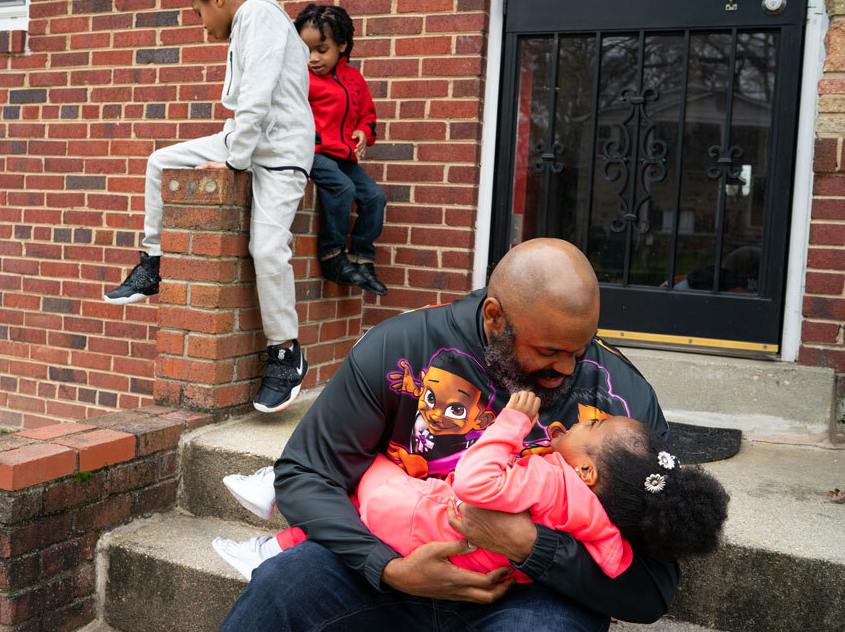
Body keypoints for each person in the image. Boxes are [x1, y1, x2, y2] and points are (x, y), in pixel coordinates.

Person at [219, 238, 682, 631]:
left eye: (578, 351)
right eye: (549, 351)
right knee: (281, 590)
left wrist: (529, 545)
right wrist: (387, 567)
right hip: (391, 562)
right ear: (496, 318)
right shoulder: (399, 346)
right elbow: (305, 473)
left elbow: (652, 586)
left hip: (530, 593)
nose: (565, 370)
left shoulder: (623, 404)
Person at [213, 390, 728, 582]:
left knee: (372, 464)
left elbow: (475, 481)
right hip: (461, 554)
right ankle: (271, 549)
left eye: (590, 428)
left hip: (425, 523)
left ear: (587, 473)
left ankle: (277, 486)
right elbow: (616, 564)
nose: (579, 422)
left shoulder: (551, 483)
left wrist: (509, 426)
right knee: (362, 505)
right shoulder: (602, 528)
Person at [102, 0, 314, 413]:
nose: (201, 25)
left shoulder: (258, 14)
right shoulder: (248, 25)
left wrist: (233, 161)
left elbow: (257, 95)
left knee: (269, 249)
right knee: (161, 162)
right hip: (247, 140)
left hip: (279, 157)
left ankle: (285, 352)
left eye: (199, 12)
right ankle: (153, 261)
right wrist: (235, 148)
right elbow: (248, 108)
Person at [295, 3, 388, 296]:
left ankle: (362, 260)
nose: (312, 58)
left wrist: (363, 131)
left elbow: (368, 115)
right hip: (311, 153)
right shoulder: (299, 78)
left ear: (342, 46)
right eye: (305, 50)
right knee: (342, 189)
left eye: (321, 49)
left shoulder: (354, 79)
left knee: (375, 197)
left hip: (343, 156)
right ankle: (333, 256)